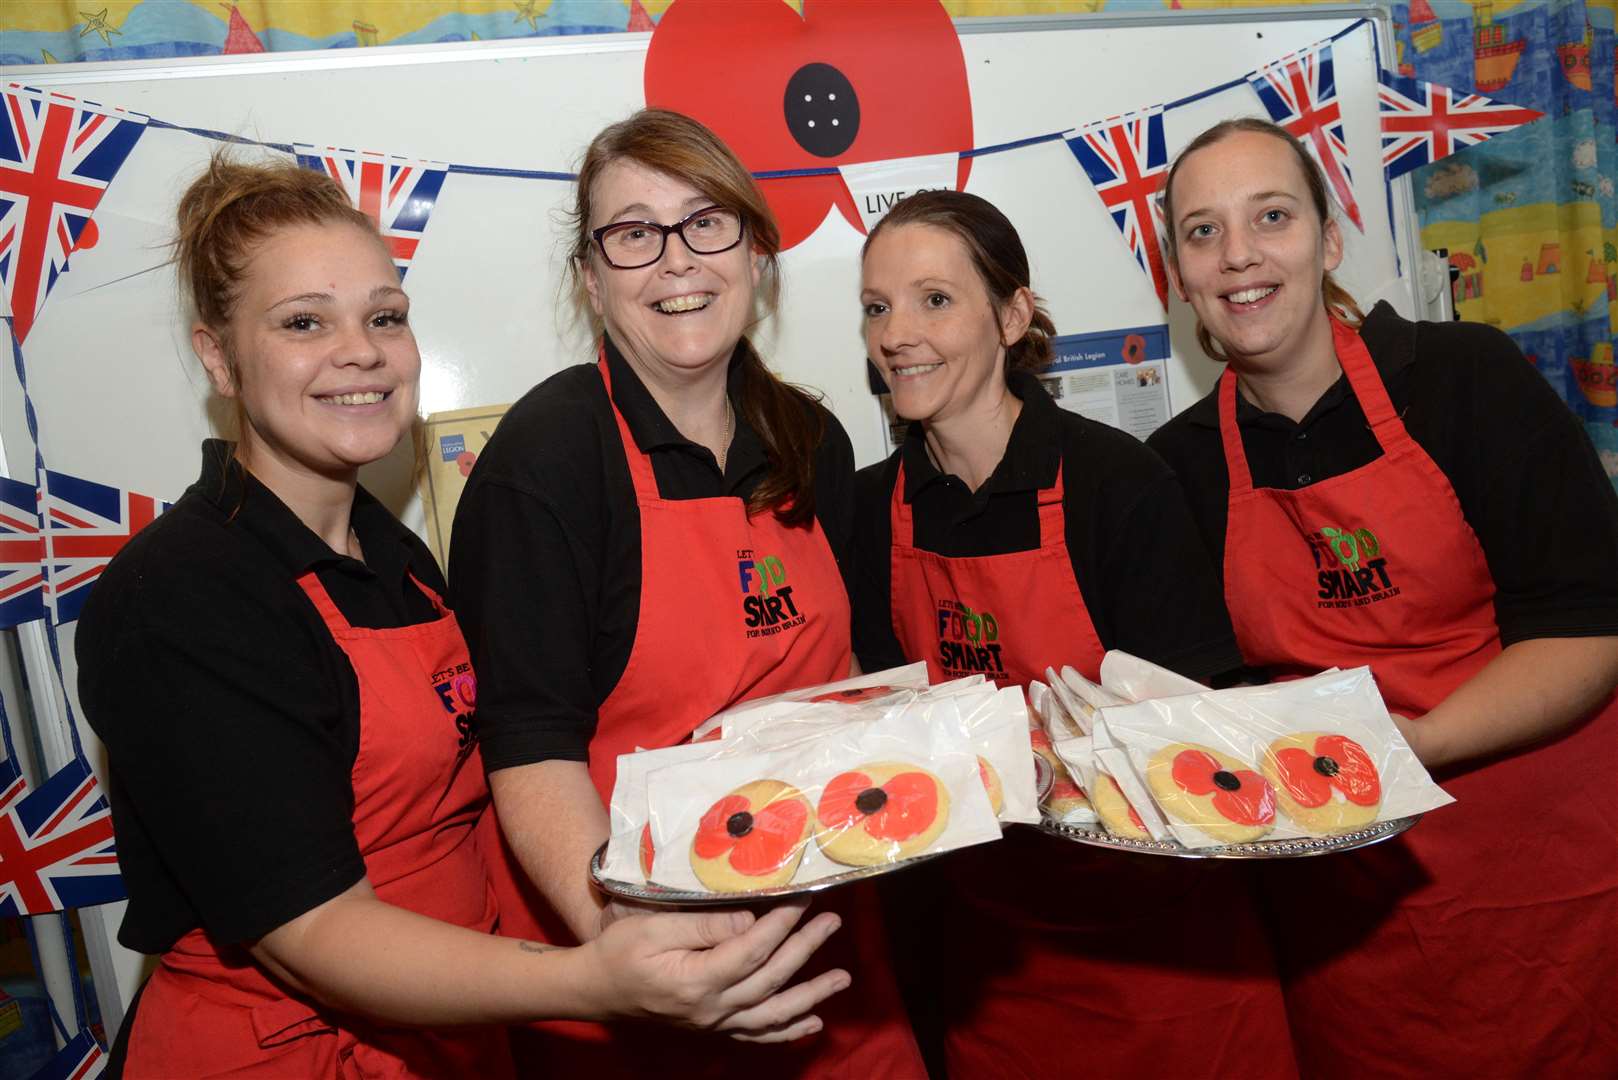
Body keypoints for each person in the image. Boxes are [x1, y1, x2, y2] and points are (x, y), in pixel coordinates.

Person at [75, 156, 849, 1079]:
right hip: (280, 1052)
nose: (359, 351)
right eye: (303, 323)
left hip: (450, 1036)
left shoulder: (396, 562)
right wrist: (592, 980)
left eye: (383, 317)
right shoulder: (184, 595)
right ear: (218, 355)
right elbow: (310, 930)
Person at [449, 109, 925, 1076]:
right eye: (633, 235)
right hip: (641, 969)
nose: (676, 261)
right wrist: (630, 942)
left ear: (757, 252)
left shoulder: (812, 442)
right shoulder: (546, 463)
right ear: (591, 278)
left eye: (707, 222)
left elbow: (864, 676)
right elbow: (528, 747)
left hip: (829, 947)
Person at [1148, 117, 1618, 1078]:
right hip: (1351, 923)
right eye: (1202, 232)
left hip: (1547, 879)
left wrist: (1404, 748)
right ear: (1179, 275)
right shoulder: (1181, 466)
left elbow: (1591, 625)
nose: (1239, 255)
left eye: (1270, 216)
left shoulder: (1464, 380)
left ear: (1327, 240)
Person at [850, 189, 1297, 1078]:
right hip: (995, 963)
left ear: (1012, 315)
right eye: (876, 306)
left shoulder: (1117, 484)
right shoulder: (867, 510)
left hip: (1170, 953)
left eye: (935, 299)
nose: (897, 332)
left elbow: (1195, 740)